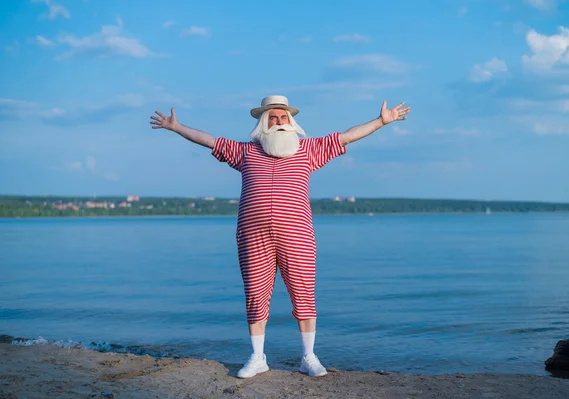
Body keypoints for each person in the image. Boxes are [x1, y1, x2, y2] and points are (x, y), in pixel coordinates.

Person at [150, 95, 410, 378]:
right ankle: (257, 357)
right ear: (264, 123)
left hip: (297, 236)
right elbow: (210, 140)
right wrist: (177, 128)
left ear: (291, 121)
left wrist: (381, 122)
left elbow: (346, 137)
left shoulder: (309, 149)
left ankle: (308, 357)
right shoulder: (246, 152)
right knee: (255, 296)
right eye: (272, 117)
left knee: (303, 295)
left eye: (283, 117)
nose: (278, 121)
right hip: (253, 236)